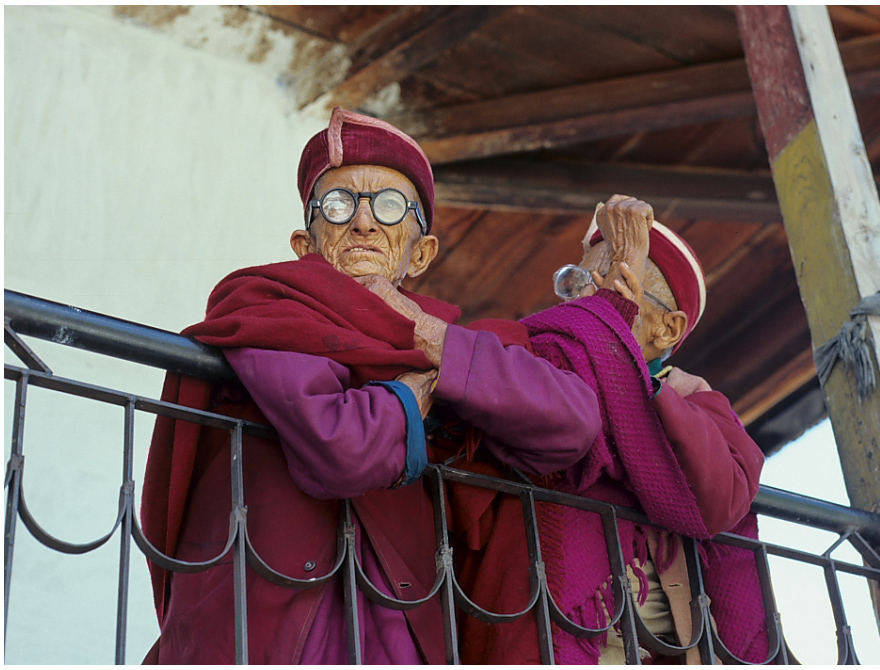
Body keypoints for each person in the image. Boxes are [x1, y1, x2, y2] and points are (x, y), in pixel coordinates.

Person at [139, 107, 602, 664]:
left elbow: (571, 425)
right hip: (269, 626)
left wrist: (434, 341)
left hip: (400, 626)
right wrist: (416, 393)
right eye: (337, 205)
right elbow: (341, 449)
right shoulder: (270, 305)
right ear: (304, 246)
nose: (362, 223)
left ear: (421, 252)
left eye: (387, 205)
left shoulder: (448, 340)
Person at [456, 196, 770, 664]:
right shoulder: (539, 356)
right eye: (580, 283)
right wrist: (613, 311)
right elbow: (520, 383)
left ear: (667, 330)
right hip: (550, 631)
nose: (590, 302)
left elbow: (721, 498)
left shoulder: (692, 404)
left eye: (617, 282)